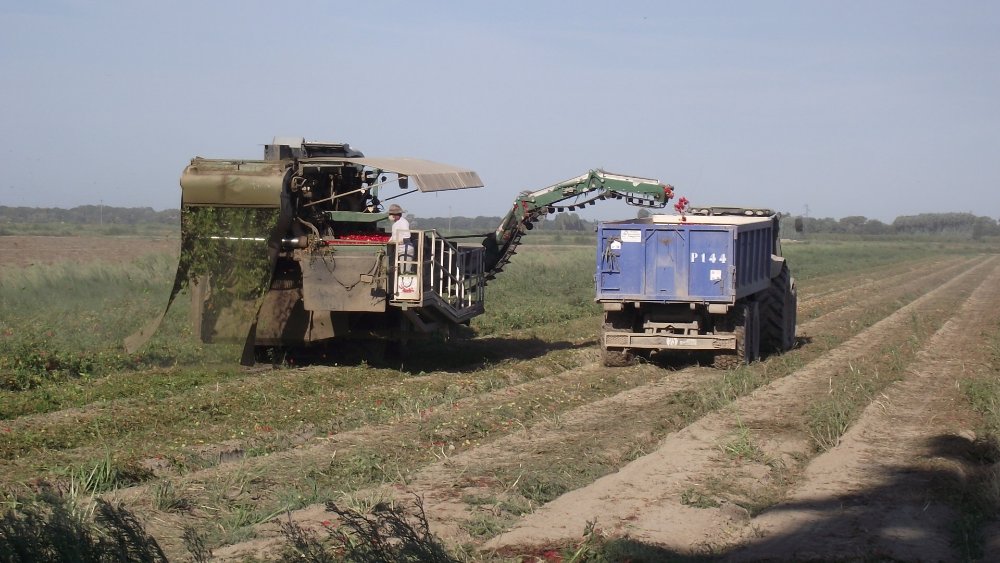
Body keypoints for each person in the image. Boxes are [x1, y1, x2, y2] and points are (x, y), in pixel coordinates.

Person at [387, 203, 415, 272]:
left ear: (396, 215)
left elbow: (407, 236)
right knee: (400, 269)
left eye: (391, 214)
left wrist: (397, 241)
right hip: (400, 249)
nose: (390, 216)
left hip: (405, 249)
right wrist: (389, 241)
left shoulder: (403, 222)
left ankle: (406, 277)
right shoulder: (396, 223)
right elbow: (394, 235)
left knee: (405, 271)